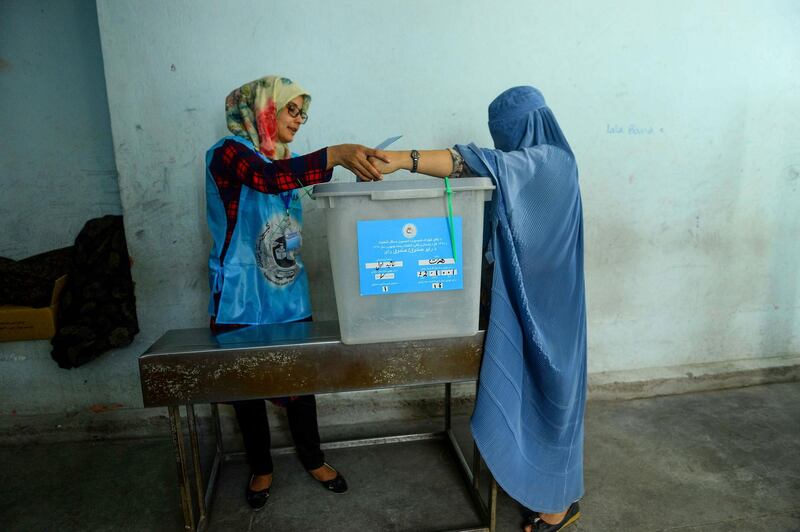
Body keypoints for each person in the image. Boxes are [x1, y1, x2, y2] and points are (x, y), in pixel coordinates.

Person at [370, 86, 587, 531]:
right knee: (528, 394)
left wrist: (402, 160)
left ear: (527, 125)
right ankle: (534, 481)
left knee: (555, 396)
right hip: (529, 299)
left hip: (554, 309)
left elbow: (471, 161)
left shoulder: (551, 161)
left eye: (507, 133)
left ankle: (559, 504)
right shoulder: (534, 168)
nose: (505, 143)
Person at [205, 75, 386, 510]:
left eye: (304, 112)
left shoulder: (284, 160)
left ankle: (313, 458)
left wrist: (354, 173)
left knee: (301, 381)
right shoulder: (229, 153)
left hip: (286, 291)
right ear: (263, 108)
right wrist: (336, 153)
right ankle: (261, 466)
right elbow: (266, 179)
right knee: (248, 386)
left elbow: (295, 177)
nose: (300, 119)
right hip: (241, 293)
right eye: (292, 109)